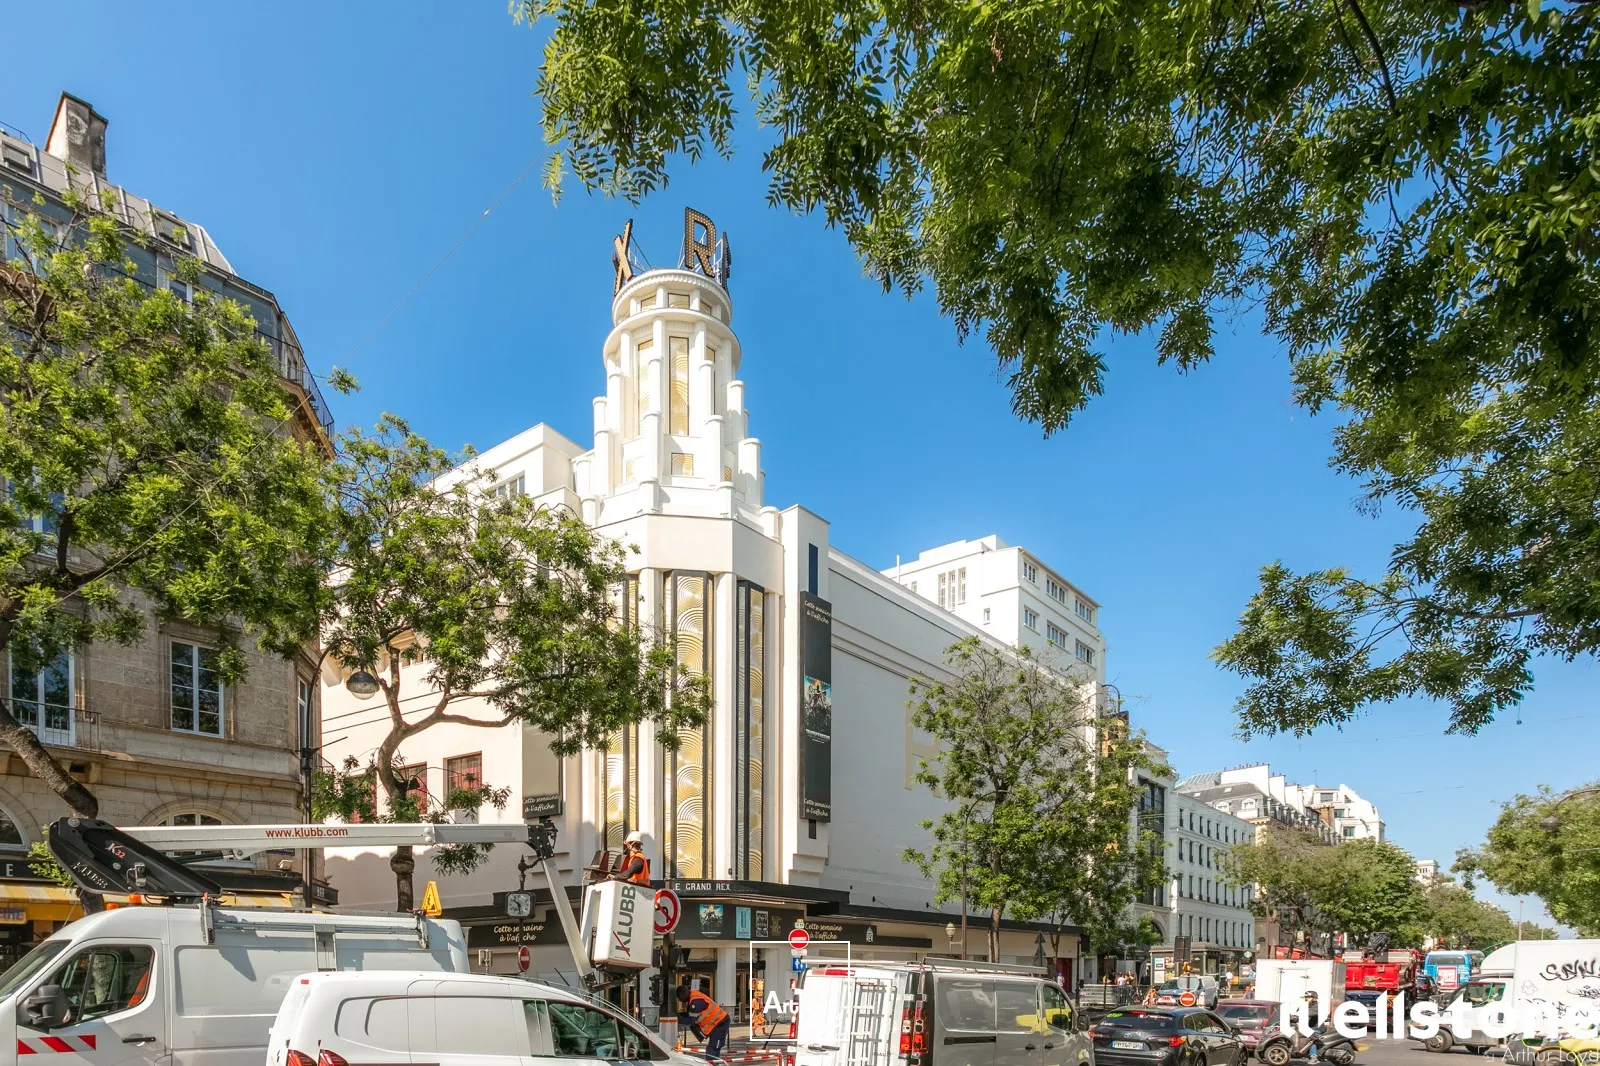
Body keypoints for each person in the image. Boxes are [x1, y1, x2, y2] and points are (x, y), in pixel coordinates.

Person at [678, 985, 731, 1061]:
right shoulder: (693, 997)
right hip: (717, 1023)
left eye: (679, 997)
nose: (679, 1000)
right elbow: (691, 1015)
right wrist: (679, 1015)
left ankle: (712, 1063)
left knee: (712, 1048)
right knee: (713, 1048)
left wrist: (678, 1019)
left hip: (721, 1023)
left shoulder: (695, 1002)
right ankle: (714, 1063)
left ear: (683, 994)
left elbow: (691, 1021)